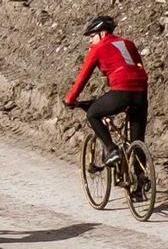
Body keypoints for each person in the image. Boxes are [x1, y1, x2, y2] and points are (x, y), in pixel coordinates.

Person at [63, 15, 148, 158]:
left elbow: (83, 77)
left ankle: (111, 149)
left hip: (122, 91)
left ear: (102, 33)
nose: (90, 41)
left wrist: (71, 99)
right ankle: (141, 176)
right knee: (137, 140)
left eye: (92, 36)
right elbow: (138, 65)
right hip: (141, 93)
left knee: (93, 114)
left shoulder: (98, 48)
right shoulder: (128, 43)